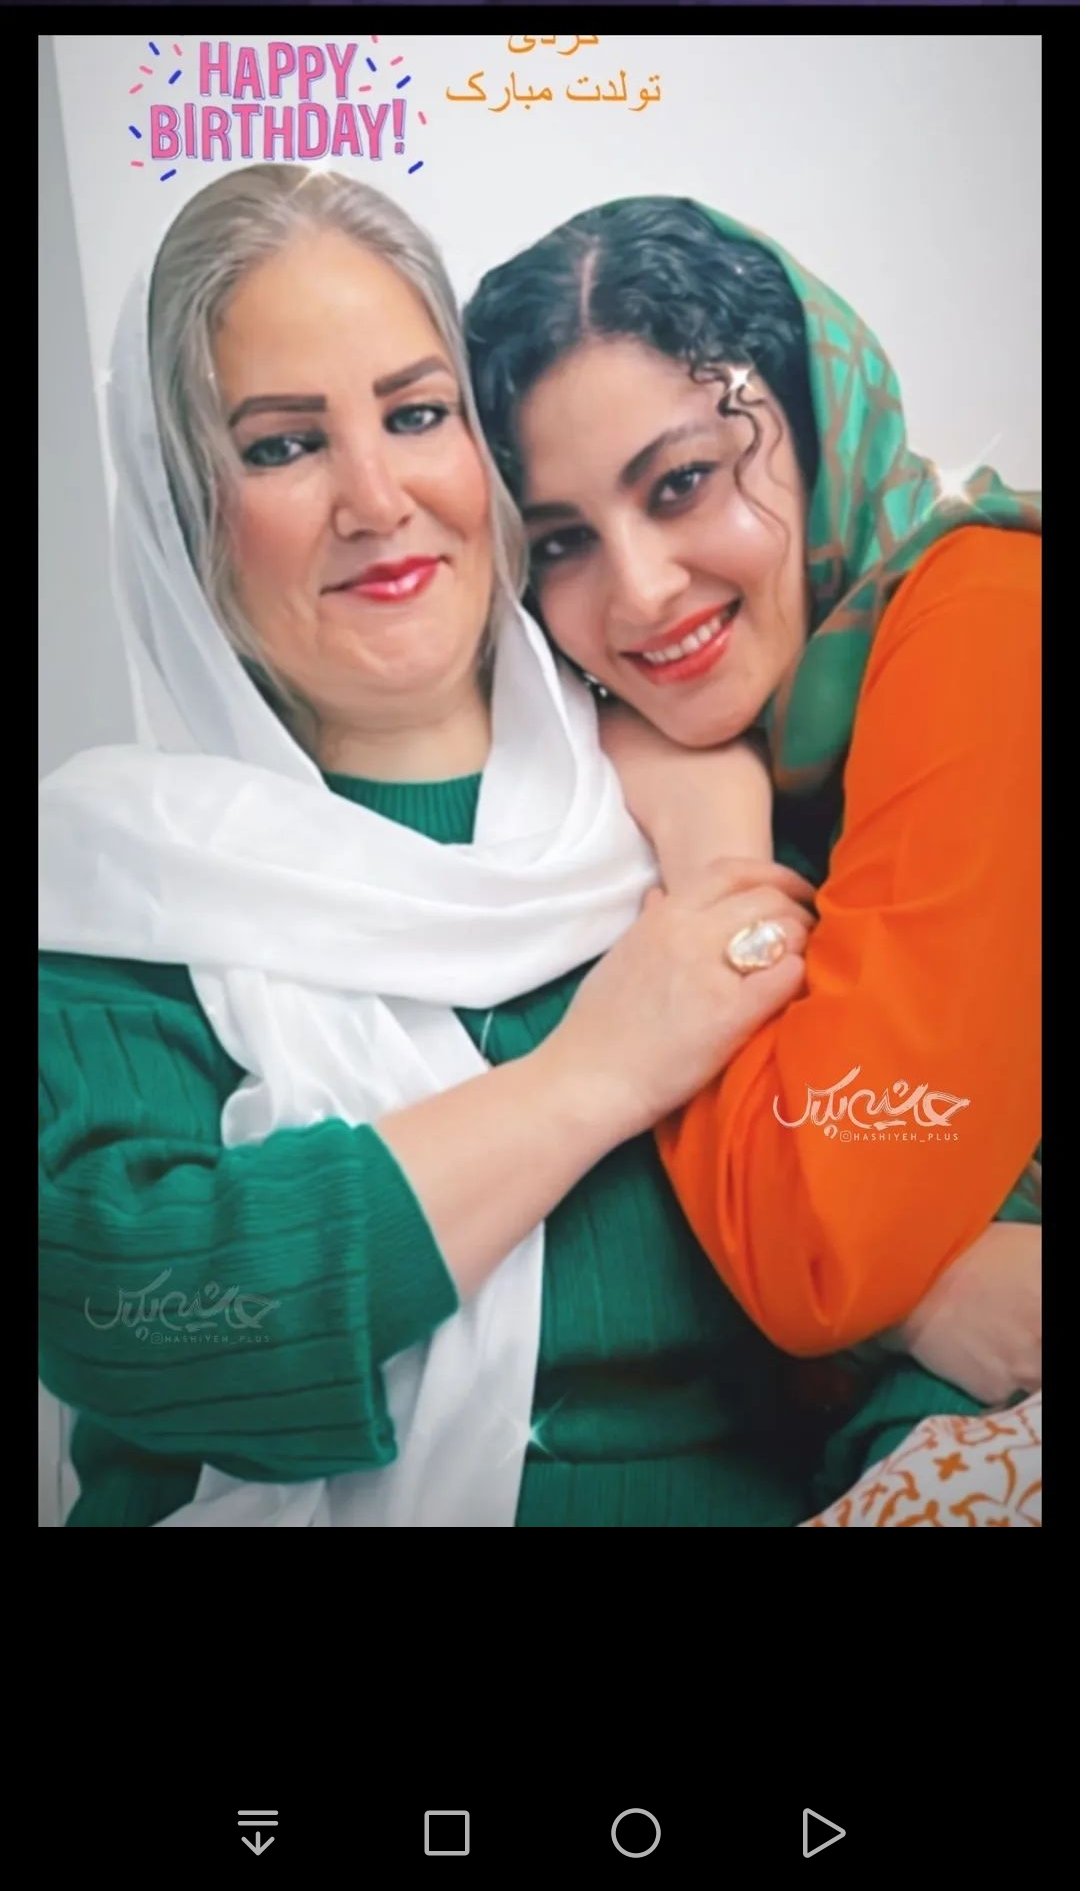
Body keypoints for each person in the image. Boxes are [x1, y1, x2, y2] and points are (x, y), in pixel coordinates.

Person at [40, 163, 830, 1530]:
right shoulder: (120, 886)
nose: (377, 497)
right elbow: (139, 1322)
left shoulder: (697, 783)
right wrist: (591, 1075)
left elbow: (884, 1183)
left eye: (416, 415)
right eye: (283, 446)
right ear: (181, 511)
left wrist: (935, 1293)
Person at [464, 195, 1041, 1514]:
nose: (641, 591)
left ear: (813, 424)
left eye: (682, 483)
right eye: (562, 544)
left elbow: (821, 1241)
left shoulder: (989, 624)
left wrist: (713, 850)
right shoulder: (630, 779)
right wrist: (924, 1298)